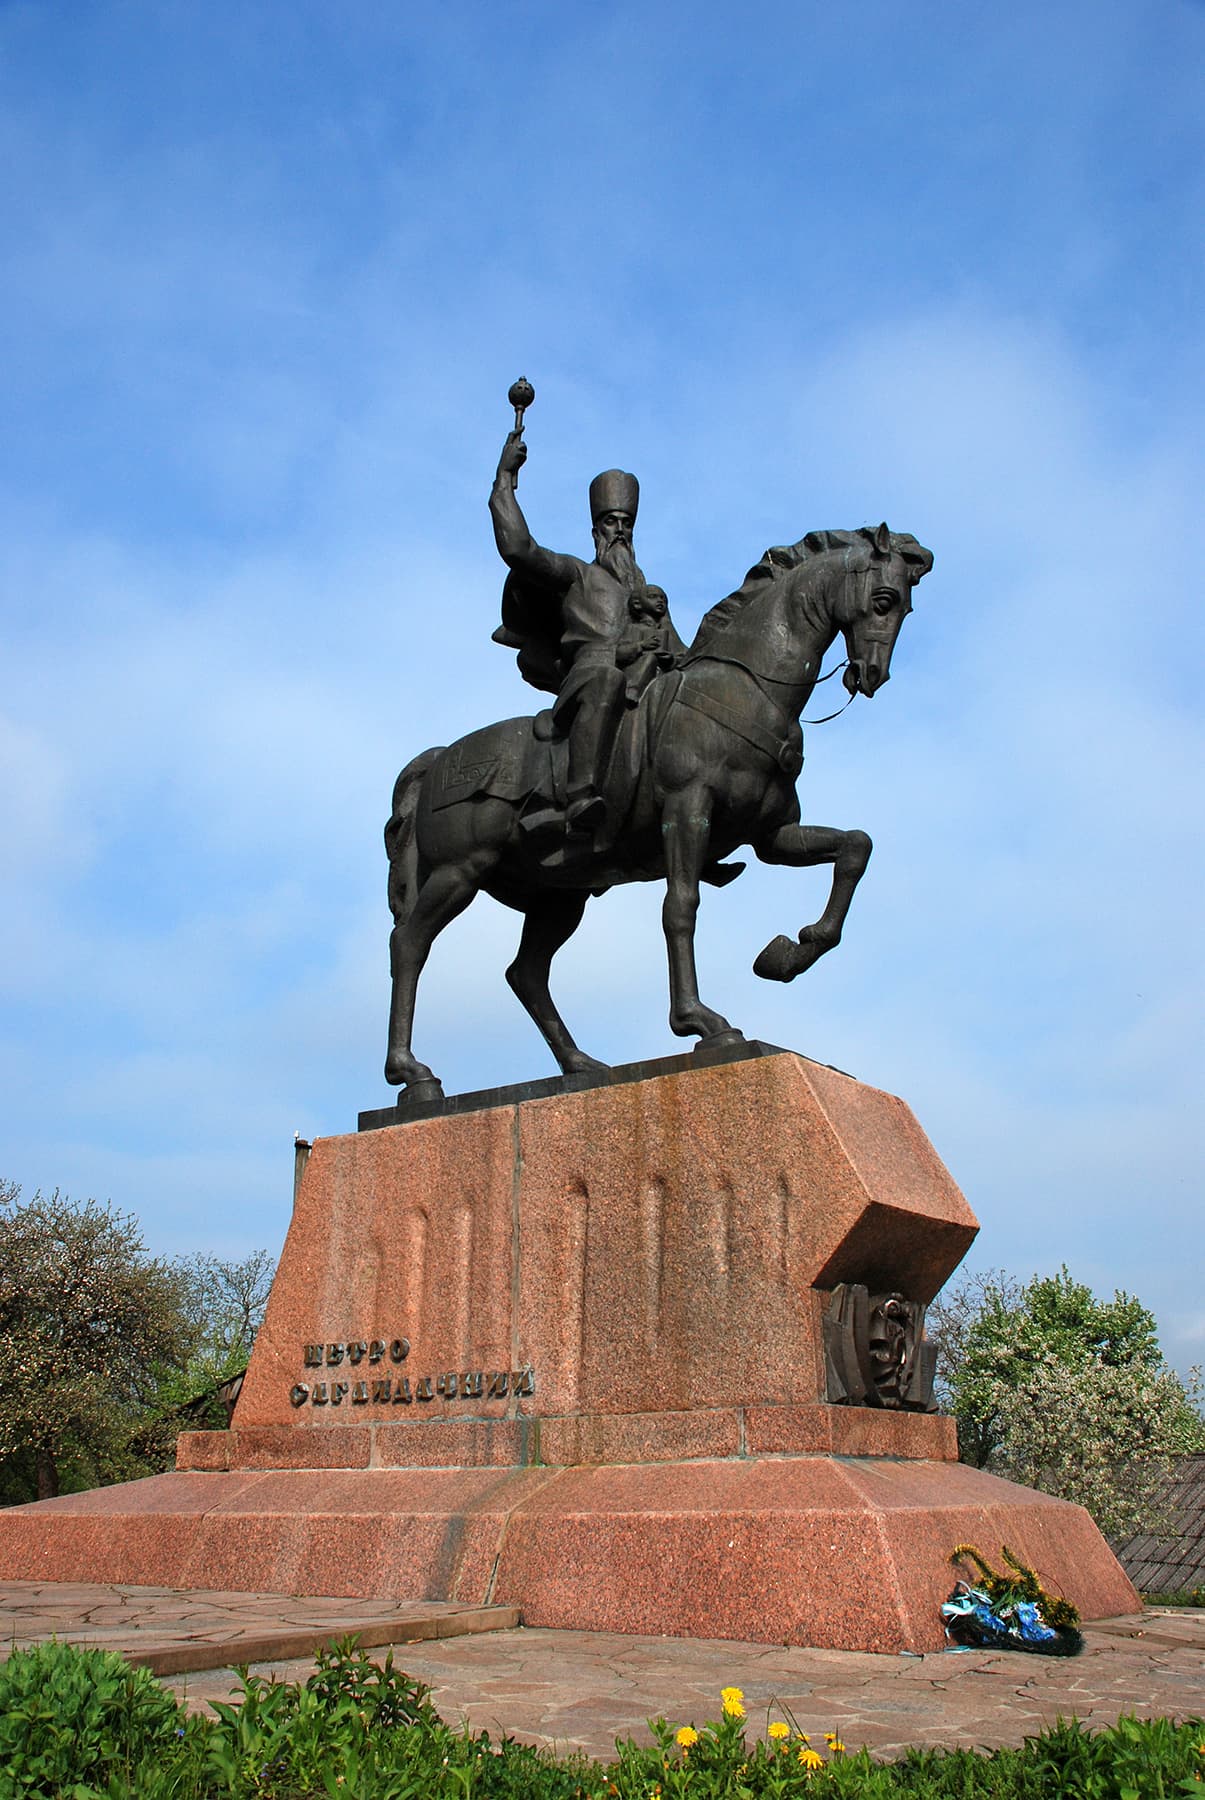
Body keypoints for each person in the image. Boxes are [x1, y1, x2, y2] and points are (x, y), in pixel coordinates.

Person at [490, 431, 682, 834]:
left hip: (645, 685)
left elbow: (683, 654)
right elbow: (520, 549)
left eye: (626, 524)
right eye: (611, 522)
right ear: (597, 529)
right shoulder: (577, 575)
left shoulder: (648, 597)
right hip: (590, 677)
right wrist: (505, 479)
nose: (620, 531)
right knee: (607, 681)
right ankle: (577, 797)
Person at [616, 584, 677, 703]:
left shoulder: (667, 634)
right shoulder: (633, 628)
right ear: (637, 604)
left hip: (662, 678)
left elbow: (681, 658)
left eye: (663, 598)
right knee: (651, 658)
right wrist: (641, 645)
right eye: (653, 596)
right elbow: (620, 654)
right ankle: (632, 690)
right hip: (634, 674)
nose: (660, 601)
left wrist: (670, 660)